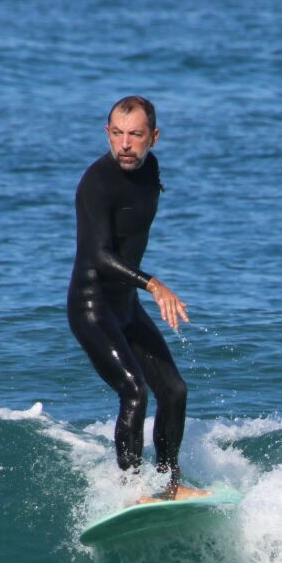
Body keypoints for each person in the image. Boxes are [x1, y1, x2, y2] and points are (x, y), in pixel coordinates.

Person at [66, 96, 208, 502]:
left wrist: (139, 290)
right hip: (92, 309)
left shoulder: (152, 171)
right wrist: (153, 284)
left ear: (154, 138)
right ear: (107, 133)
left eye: (136, 135)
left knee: (175, 391)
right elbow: (98, 255)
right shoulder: (96, 182)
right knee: (134, 392)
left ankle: (169, 483)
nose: (125, 144)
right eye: (117, 134)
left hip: (125, 308)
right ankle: (131, 490)